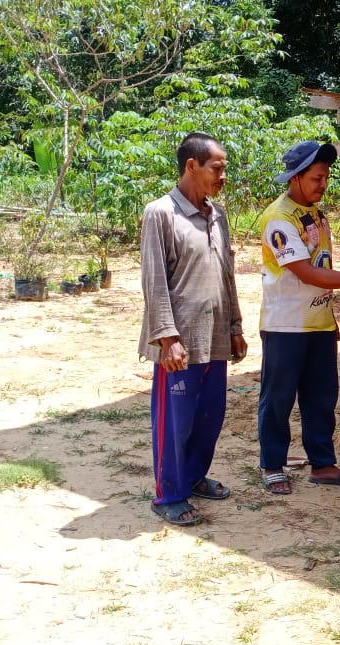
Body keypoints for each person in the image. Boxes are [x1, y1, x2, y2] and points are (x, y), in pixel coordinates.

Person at [256, 140, 340, 495]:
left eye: (325, 177)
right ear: (296, 178)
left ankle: (323, 464)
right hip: (285, 325)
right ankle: (273, 464)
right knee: (278, 398)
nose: (323, 184)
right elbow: (309, 273)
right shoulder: (279, 219)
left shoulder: (316, 213)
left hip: (319, 323)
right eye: (316, 178)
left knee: (321, 397)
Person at [139, 132, 247, 526]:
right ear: (192, 166)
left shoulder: (217, 215)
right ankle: (168, 494)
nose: (223, 176)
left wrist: (235, 326)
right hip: (179, 343)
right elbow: (154, 282)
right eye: (217, 168)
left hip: (214, 337)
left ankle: (194, 477)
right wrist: (168, 339)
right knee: (175, 422)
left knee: (209, 415)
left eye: (224, 169)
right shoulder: (161, 213)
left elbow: (227, 274)